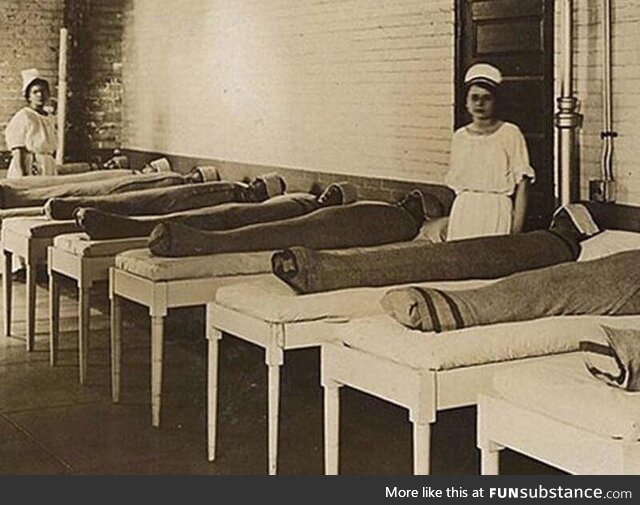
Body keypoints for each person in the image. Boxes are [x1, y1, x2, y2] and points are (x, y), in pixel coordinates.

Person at [445, 63, 535, 241]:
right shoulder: (460, 137)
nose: (480, 103)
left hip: (496, 210)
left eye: (487, 98)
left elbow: (523, 186)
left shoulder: (510, 133)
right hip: (464, 212)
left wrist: (516, 231)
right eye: (474, 97)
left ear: (496, 101)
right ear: (466, 102)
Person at [4, 69, 58, 178]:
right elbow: (17, 148)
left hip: (47, 165)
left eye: (43, 91)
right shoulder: (24, 116)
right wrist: (21, 174)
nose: (40, 95)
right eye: (35, 92)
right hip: (30, 165)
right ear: (28, 96)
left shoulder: (50, 118)